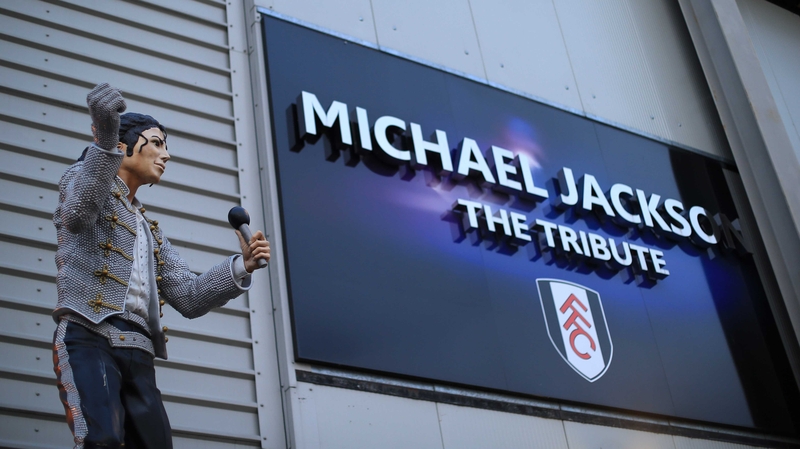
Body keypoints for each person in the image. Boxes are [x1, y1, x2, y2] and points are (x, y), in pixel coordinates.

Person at [52, 83, 270, 449]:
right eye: (156, 142)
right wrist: (104, 141)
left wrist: (241, 267)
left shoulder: (147, 230)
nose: (166, 155)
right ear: (124, 146)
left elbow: (189, 296)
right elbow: (77, 214)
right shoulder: (81, 179)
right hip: (89, 338)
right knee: (101, 441)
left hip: (139, 352)